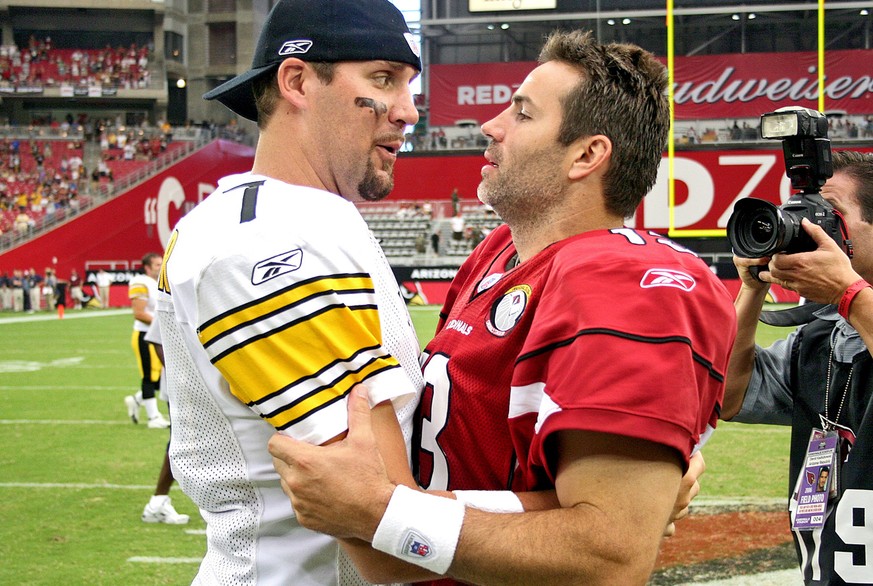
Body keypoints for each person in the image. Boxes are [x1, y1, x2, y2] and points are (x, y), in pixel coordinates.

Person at [268, 30, 736, 585]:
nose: (491, 126)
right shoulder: (498, 253)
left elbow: (609, 556)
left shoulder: (628, 281)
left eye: (523, 113)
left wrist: (379, 514)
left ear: (587, 155)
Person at [155, 0, 425, 584]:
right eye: (384, 78)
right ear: (298, 80)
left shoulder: (304, 222)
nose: (408, 110)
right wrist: (591, 515)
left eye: (410, 84)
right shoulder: (265, 244)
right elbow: (388, 532)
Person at [722, 150, 873, 585]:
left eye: (831, 215)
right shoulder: (820, 340)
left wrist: (848, 292)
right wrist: (752, 289)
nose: (810, 228)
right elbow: (726, 396)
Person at [138, 316, 189, 525]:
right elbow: (156, 339)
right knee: (181, 442)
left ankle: (157, 503)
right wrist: (182, 376)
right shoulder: (175, 289)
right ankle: (157, 503)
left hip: (209, 385)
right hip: (186, 388)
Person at [124, 253, 170, 428]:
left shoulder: (159, 282)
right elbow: (139, 313)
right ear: (148, 267)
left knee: (159, 377)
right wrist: (164, 324)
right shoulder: (140, 282)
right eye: (157, 264)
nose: (160, 267)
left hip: (157, 335)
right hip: (145, 335)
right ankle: (153, 417)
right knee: (149, 376)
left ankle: (136, 400)